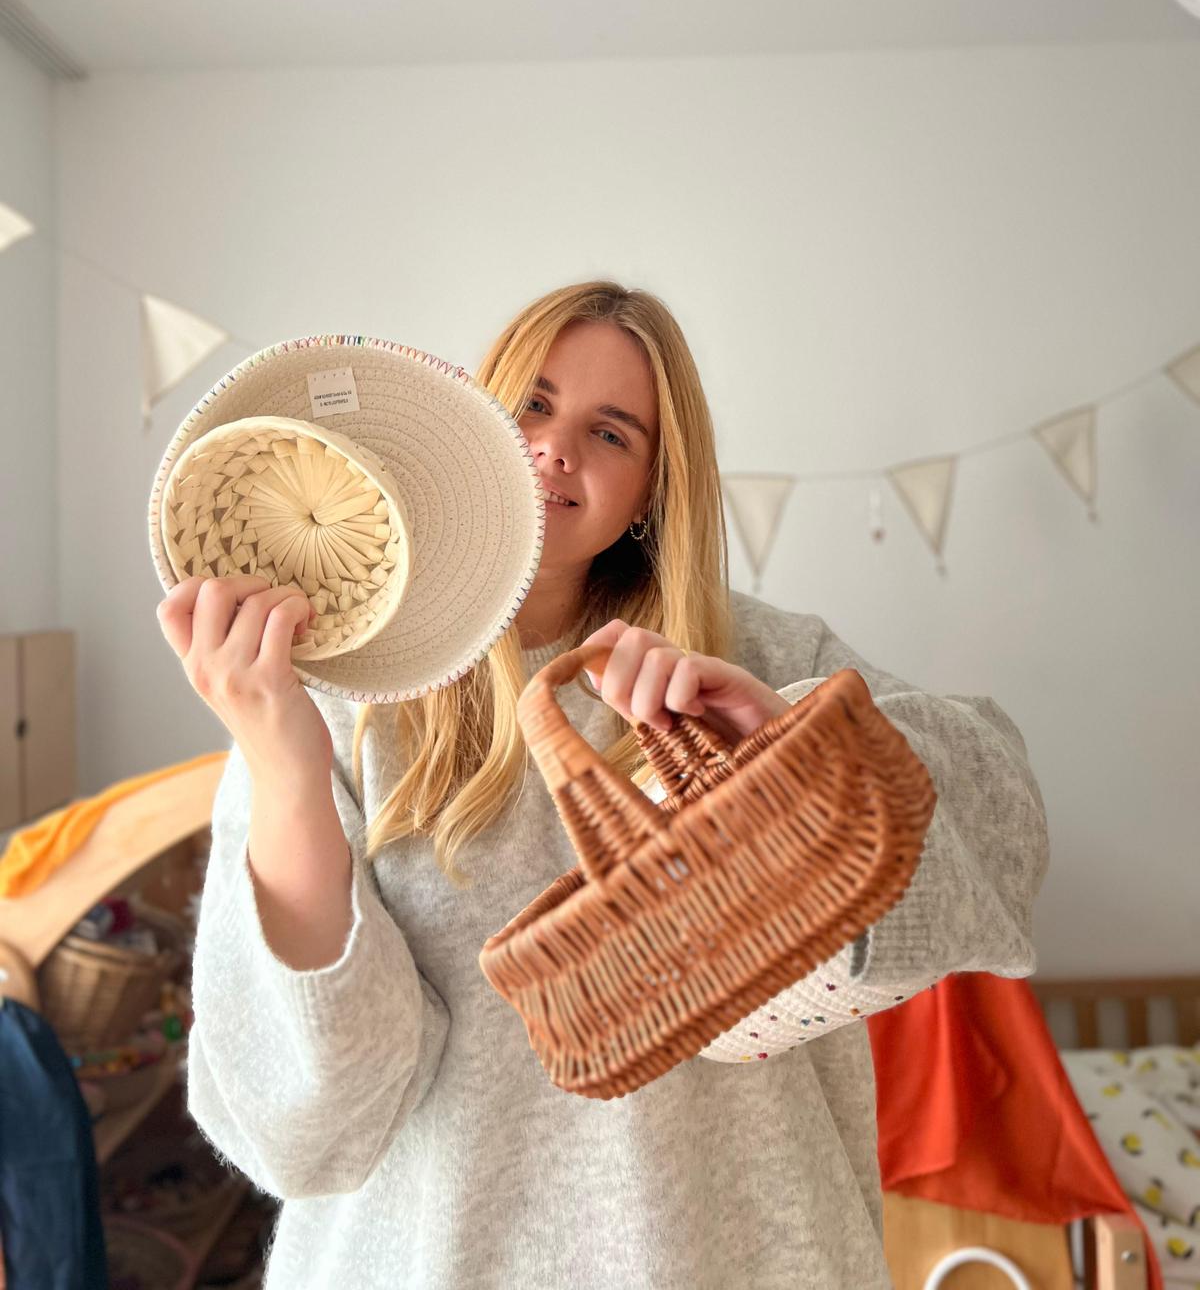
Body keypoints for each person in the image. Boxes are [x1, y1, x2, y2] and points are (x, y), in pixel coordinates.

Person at [155, 279, 1050, 1290]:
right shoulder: (339, 694)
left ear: (655, 489)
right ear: (478, 414)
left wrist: (790, 745)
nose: (555, 446)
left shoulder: (755, 649)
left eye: (611, 431)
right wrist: (282, 763)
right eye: (531, 402)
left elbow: (1004, 820)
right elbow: (308, 1124)